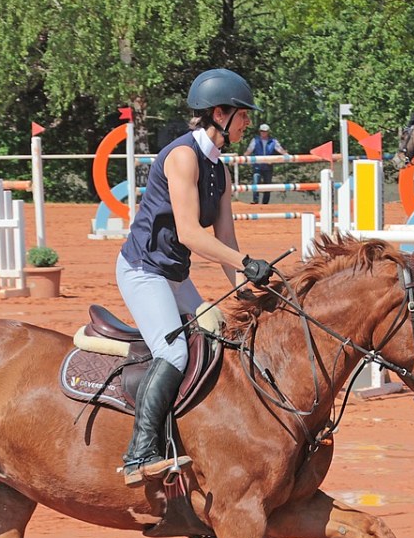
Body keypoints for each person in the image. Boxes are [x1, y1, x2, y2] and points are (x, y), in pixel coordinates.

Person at [115, 68, 273, 486]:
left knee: (218, 330)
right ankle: (139, 452)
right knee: (174, 354)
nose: (247, 123)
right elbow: (189, 233)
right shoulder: (182, 156)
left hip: (174, 275)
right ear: (219, 113)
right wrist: (247, 260)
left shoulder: (218, 168)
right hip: (143, 271)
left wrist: (246, 283)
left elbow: (225, 237)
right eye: (242, 115)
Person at [243, 123, 290, 204]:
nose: (263, 133)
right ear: (259, 132)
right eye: (262, 131)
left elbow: (280, 150)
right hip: (257, 166)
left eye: (265, 131)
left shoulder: (273, 141)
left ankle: (265, 203)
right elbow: (249, 150)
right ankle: (255, 201)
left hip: (268, 166)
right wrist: (243, 158)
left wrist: (288, 156)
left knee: (268, 185)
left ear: (268, 132)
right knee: (255, 182)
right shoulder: (255, 140)